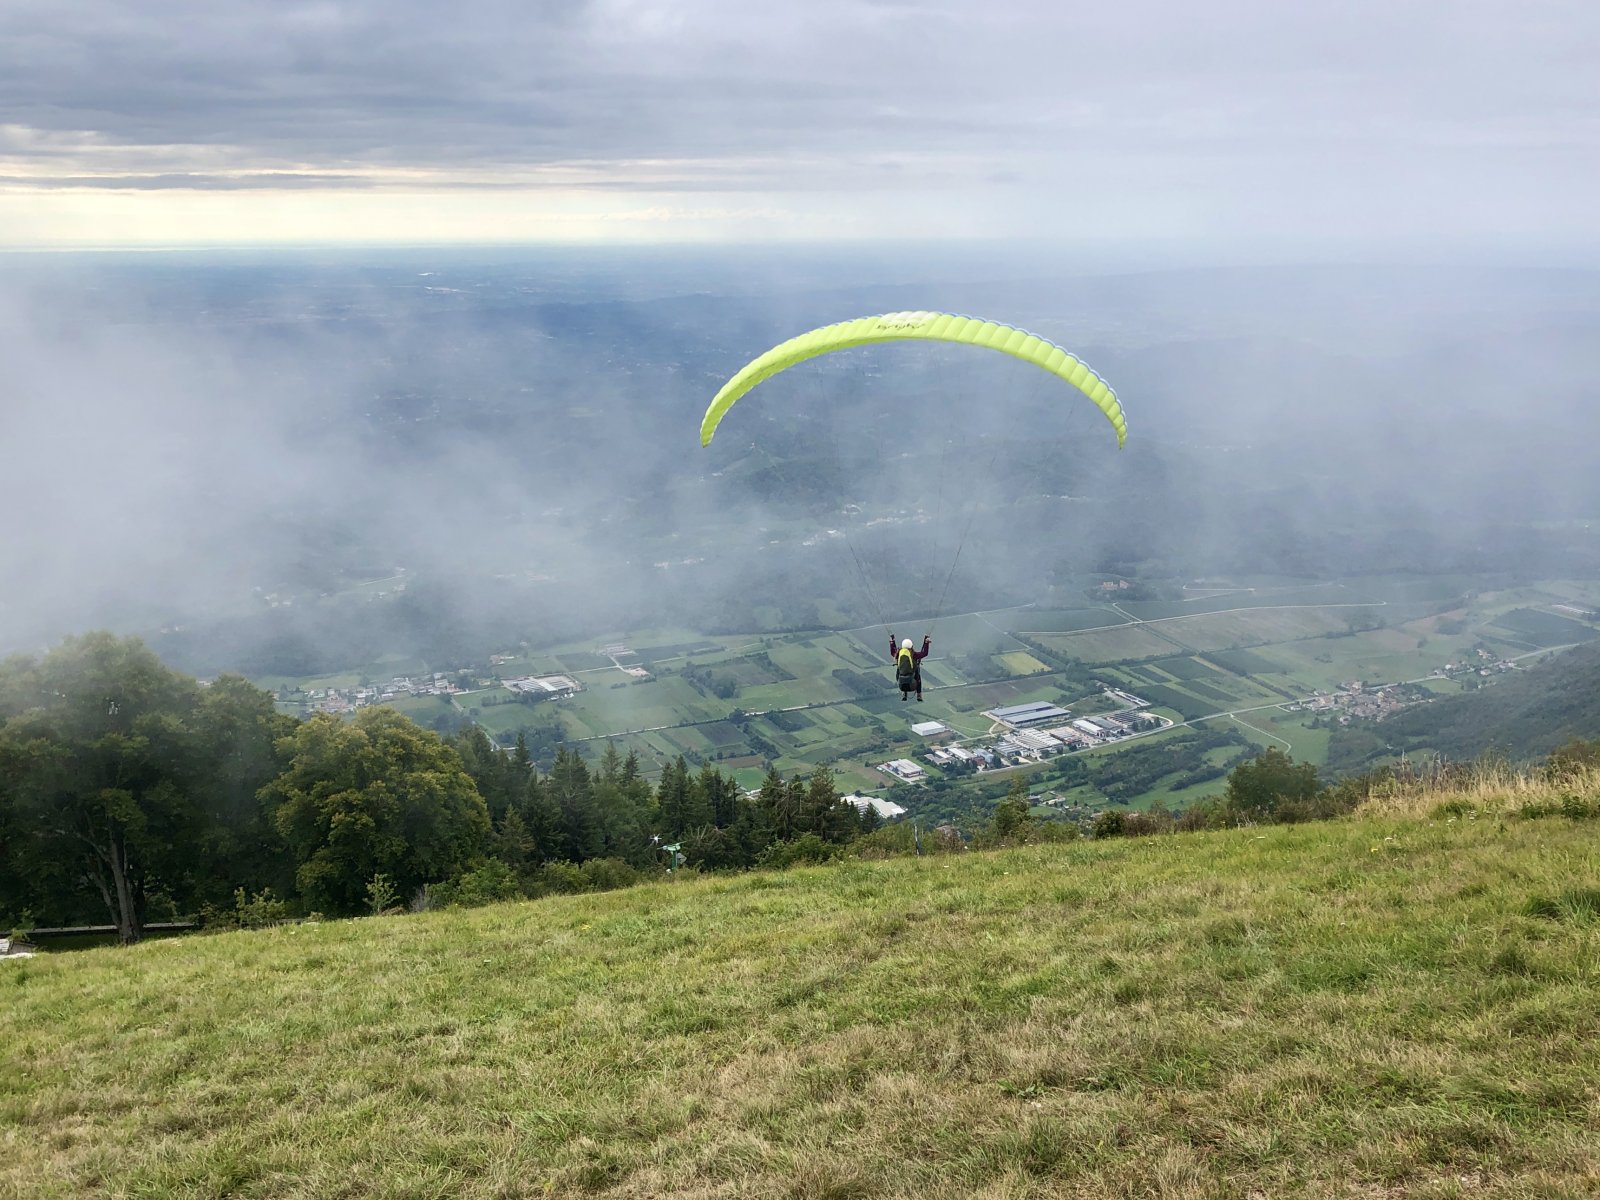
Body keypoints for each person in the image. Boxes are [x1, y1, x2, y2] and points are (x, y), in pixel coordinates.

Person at [889, 632, 931, 701]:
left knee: (899, 669)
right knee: (917, 673)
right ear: (911, 646)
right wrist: (926, 643)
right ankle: (919, 695)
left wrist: (892, 642)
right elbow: (924, 653)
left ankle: (904, 693)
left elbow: (892, 651)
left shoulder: (898, 654)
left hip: (901, 685)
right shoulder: (913, 654)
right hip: (912, 685)